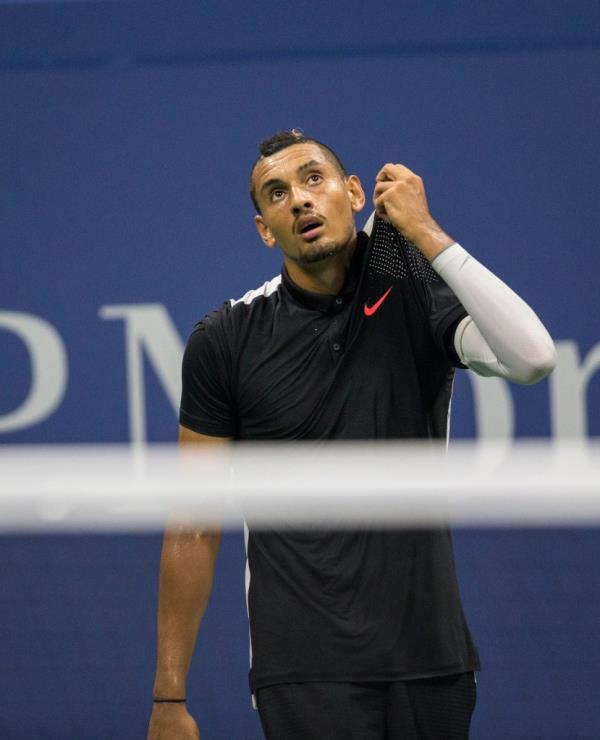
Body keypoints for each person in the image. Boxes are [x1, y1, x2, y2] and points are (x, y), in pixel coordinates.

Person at [147, 130, 556, 740]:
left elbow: (533, 359)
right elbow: (194, 521)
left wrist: (425, 231)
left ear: (355, 192)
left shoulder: (416, 294)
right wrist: (168, 698)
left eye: (314, 179)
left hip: (430, 655)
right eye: (277, 193)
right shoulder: (226, 339)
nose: (301, 201)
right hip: (304, 668)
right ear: (266, 229)